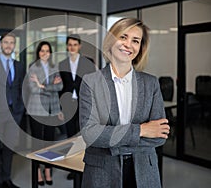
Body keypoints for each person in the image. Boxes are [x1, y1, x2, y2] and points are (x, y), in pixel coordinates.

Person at [79, 18, 170, 188]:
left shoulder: (151, 84)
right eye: (123, 37)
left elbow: (159, 136)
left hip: (143, 171)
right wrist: (142, 130)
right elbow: (90, 133)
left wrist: (111, 141)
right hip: (102, 171)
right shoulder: (91, 82)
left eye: (135, 41)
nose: (128, 44)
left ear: (140, 48)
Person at [0, 32, 25, 188]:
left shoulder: (19, 66)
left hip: (14, 114)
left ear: (14, 45)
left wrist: (20, 110)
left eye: (12, 42)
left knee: (9, 148)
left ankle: (7, 178)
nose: (9, 45)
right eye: (6, 42)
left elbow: (23, 89)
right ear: (1, 44)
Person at [58, 34, 96, 180]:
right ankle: (73, 169)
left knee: (84, 136)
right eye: (69, 45)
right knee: (70, 136)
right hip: (68, 105)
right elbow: (61, 88)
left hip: (85, 104)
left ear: (79, 46)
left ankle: (85, 167)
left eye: (75, 44)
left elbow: (94, 84)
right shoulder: (62, 64)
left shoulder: (88, 62)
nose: (72, 47)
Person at [26, 41, 63, 186]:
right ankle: (37, 172)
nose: (45, 53)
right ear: (38, 52)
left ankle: (48, 170)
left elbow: (60, 86)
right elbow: (32, 89)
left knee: (50, 143)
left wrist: (41, 85)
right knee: (37, 143)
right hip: (36, 109)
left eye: (47, 51)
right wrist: (49, 87)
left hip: (52, 110)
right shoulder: (33, 67)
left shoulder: (55, 67)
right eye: (42, 51)